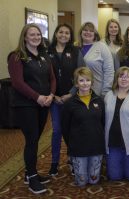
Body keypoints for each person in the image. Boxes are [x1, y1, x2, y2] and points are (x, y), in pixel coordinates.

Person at [8, 23, 55, 194]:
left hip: (44, 104)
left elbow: (52, 78)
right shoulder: (16, 56)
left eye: (38, 34)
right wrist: (38, 97)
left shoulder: (44, 55)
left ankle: (30, 173)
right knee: (32, 140)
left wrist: (51, 95)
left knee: (36, 139)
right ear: (25, 37)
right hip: (25, 105)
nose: (36, 37)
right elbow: (17, 83)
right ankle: (33, 177)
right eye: (32, 34)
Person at [47, 23, 84, 176]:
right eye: (61, 32)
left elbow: (82, 73)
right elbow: (43, 76)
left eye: (67, 33)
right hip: (53, 99)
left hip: (72, 98)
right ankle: (54, 162)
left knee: (72, 131)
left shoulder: (76, 51)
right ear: (56, 34)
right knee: (57, 130)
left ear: (70, 36)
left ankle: (72, 159)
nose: (64, 35)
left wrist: (71, 93)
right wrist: (52, 95)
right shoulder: (46, 52)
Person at [61, 67, 105, 187]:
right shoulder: (69, 104)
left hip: (96, 146)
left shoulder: (99, 101)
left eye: (87, 80)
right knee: (81, 182)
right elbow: (65, 127)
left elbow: (103, 123)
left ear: (92, 82)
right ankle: (73, 163)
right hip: (78, 148)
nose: (85, 83)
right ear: (76, 83)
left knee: (93, 181)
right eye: (81, 80)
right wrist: (71, 145)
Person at [77, 22, 114, 97]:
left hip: (98, 93)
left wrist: (106, 91)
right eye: (85, 30)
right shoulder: (75, 48)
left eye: (91, 31)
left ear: (95, 34)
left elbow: (109, 71)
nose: (88, 32)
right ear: (81, 32)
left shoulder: (101, 47)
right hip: (78, 93)